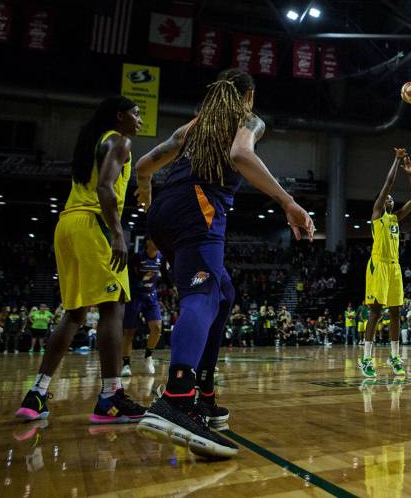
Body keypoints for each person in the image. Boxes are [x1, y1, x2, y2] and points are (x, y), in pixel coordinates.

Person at [134, 69, 315, 458]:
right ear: (248, 96)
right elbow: (240, 154)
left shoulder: (191, 128)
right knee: (203, 294)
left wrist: (146, 187)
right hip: (197, 209)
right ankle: (177, 398)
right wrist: (288, 202)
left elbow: (144, 165)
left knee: (223, 292)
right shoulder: (247, 120)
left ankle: (204, 391)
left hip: (163, 213)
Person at [14, 97, 147, 424]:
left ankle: (37, 394)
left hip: (67, 225)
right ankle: (110, 397)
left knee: (74, 313)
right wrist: (118, 233)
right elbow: (105, 188)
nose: (140, 119)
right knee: (112, 307)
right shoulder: (119, 140)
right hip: (94, 224)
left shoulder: (92, 142)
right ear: (120, 116)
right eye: (136, 113)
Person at [359, 149, 411, 379]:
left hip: (394, 267)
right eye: (387, 198)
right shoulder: (377, 215)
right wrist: (396, 160)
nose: (390, 200)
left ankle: (394, 356)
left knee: (396, 312)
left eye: (393, 199)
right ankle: (365, 358)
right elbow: (389, 182)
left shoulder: (396, 218)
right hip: (378, 265)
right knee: (375, 312)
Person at [122, 238, 165, 376]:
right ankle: (126, 365)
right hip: (135, 296)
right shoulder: (137, 257)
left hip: (151, 296)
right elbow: (127, 276)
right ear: (148, 242)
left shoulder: (161, 258)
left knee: (157, 327)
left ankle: (148, 356)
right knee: (129, 332)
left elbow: (164, 275)